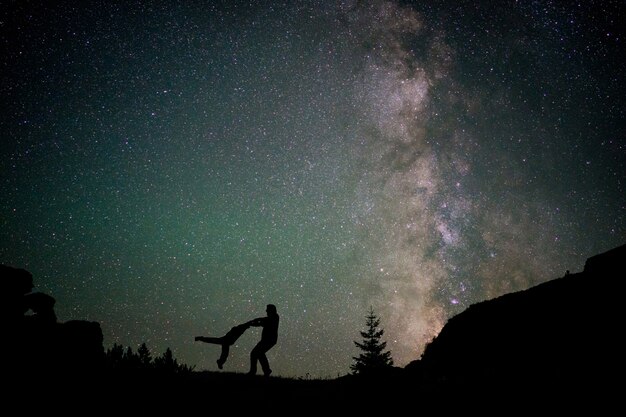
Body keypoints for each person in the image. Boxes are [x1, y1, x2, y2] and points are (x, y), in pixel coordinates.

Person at [248, 304, 279, 377]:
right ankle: (266, 370)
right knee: (259, 353)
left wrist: (254, 322)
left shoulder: (274, 318)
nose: (266, 311)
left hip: (269, 340)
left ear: (271, 310)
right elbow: (262, 321)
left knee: (255, 353)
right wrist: (254, 322)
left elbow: (263, 321)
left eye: (267, 310)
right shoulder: (273, 317)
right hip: (268, 340)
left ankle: (254, 371)